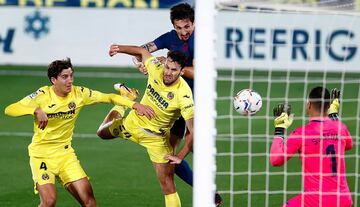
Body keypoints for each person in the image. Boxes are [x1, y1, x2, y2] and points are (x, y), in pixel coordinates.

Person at [4, 58, 154, 207]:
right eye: (64, 77)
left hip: (65, 155)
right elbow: (10, 109)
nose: (70, 80)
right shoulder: (42, 95)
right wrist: (35, 110)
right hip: (41, 155)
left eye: (71, 75)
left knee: (89, 202)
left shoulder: (79, 93)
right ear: (53, 80)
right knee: (49, 201)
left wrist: (135, 105)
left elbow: (109, 97)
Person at [97, 44, 194, 207]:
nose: (168, 73)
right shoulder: (156, 67)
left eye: (174, 70)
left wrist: (181, 155)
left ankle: (126, 98)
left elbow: (194, 131)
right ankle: (124, 101)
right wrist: (118, 48)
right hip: (132, 124)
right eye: (167, 67)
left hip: (156, 140)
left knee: (168, 184)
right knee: (101, 132)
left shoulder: (184, 96)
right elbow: (142, 51)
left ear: (182, 71)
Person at [270, 87, 353, 207]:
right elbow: (348, 145)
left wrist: (280, 129)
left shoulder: (301, 134)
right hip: (344, 199)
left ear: (309, 105)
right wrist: (334, 115)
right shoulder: (341, 127)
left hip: (315, 200)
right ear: (329, 106)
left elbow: (275, 160)